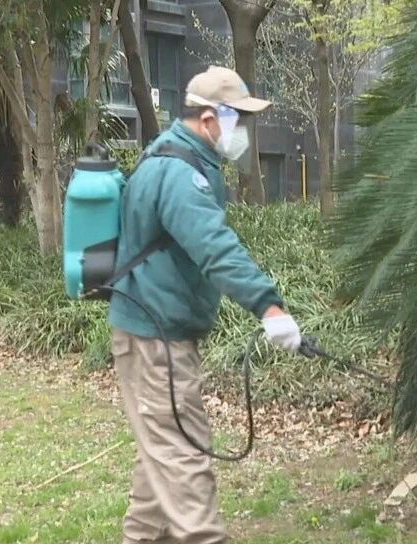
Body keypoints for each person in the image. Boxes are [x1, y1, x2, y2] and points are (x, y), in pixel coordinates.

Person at [108, 66, 302, 544]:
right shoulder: (180, 174)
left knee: (162, 454)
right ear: (211, 119)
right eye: (240, 119)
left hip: (152, 333)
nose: (245, 131)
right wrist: (269, 307)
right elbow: (214, 247)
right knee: (184, 458)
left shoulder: (178, 159)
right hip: (156, 341)